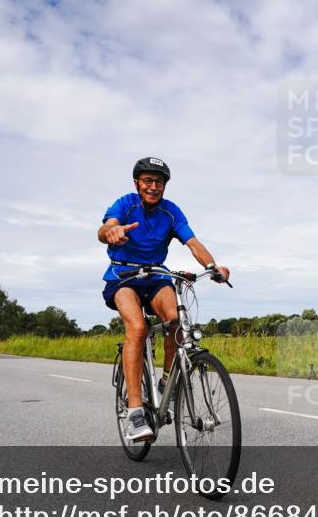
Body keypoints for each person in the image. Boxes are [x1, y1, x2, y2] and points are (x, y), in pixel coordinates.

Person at [97, 157, 230, 441]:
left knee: (178, 322)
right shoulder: (125, 204)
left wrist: (212, 267)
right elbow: (105, 228)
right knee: (137, 327)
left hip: (157, 277)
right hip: (123, 278)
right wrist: (113, 231)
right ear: (137, 183)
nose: (153, 186)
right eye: (147, 180)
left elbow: (193, 243)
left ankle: (168, 382)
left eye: (159, 182)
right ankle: (135, 412)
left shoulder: (171, 213)